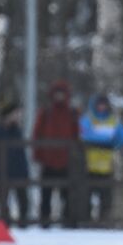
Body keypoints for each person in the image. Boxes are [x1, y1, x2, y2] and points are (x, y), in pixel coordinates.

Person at [32, 79, 81, 227]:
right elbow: (37, 134)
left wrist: (75, 157)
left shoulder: (72, 113)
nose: (59, 97)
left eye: (62, 94)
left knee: (67, 194)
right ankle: (45, 221)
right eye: (57, 93)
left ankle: (67, 221)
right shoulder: (46, 112)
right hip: (48, 160)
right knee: (46, 193)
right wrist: (38, 155)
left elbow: (77, 135)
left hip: (66, 161)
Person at [79, 93, 123, 223]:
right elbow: (83, 135)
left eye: (104, 105)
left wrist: (115, 144)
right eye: (99, 104)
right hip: (89, 165)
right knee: (86, 196)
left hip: (107, 165)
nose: (101, 107)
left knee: (106, 197)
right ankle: (87, 221)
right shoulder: (89, 119)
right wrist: (108, 141)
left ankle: (104, 221)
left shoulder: (112, 121)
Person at [0, 101, 32, 225]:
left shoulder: (17, 130)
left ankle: (23, 225)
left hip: (18, 171)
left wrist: (25, 171)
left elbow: (21, 153)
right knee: (3, 203)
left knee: (23, 201)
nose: (18, 116)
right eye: (16, 113)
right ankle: (4, 225)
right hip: (2, 172)